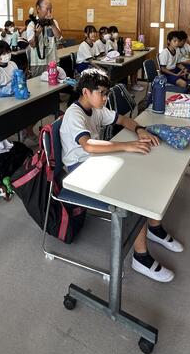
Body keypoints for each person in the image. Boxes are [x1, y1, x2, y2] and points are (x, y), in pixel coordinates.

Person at [61, 69, 183, 282]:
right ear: (86, 92)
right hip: (79, 170)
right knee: (133, 193)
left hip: (95, 161)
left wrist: (140, 130)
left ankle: (154, 228)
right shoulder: (74, 114)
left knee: (143, 171)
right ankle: (141, 257)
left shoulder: (96, 108)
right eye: (102, 93)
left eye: (107, 93)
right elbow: (88, 146)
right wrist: (127, 146)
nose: (105, 98)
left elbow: (123, 120)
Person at [27, 0, 62, 77]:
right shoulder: (32, 24)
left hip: (53, 61)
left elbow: (59, 37)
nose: (49, 12)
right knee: (38, 84)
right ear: (38, 9)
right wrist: (37, 34)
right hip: (38, 63)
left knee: (54, 82)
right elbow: (32, 45)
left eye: (50, 9)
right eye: (47, 9)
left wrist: (52, 23)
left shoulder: (53, 22)